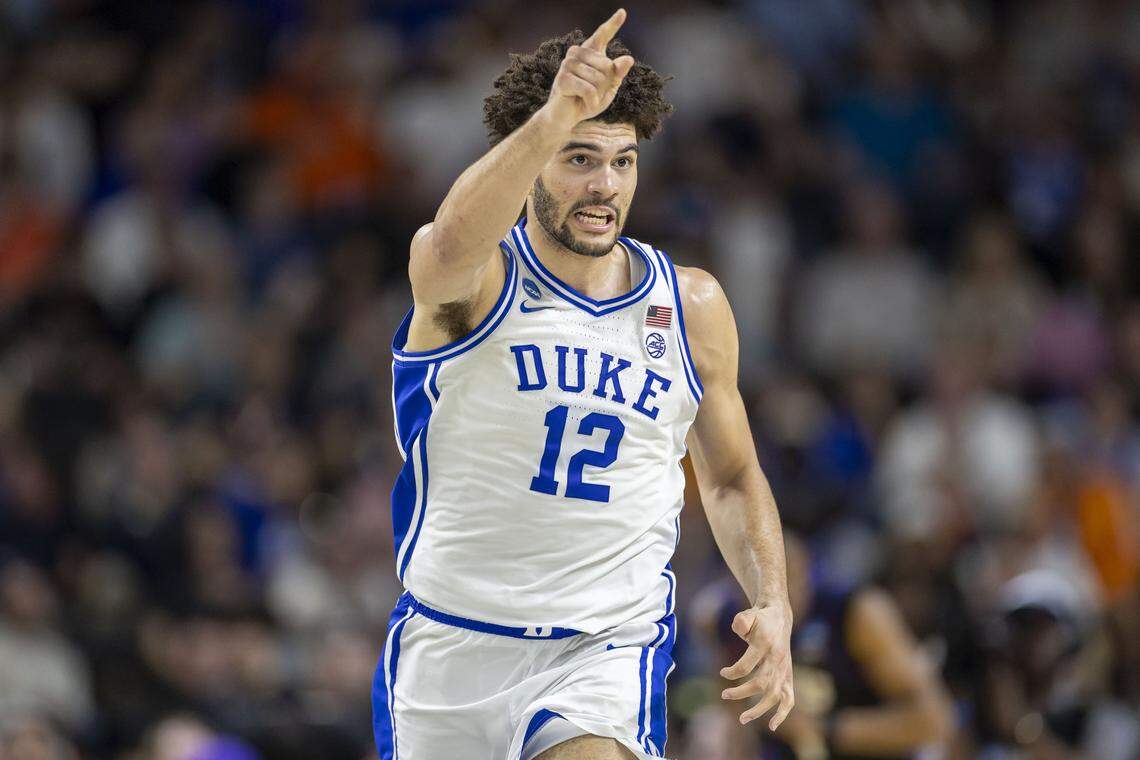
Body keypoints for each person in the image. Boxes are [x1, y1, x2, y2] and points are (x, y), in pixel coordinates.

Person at [374, 9, 794, 759]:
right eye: (577, 158)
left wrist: (773, 600)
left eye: (623, 162)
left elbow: (730, 476)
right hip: (449, 645)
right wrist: (550, 118)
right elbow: (444, 248)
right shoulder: (478, 280)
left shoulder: (690, 304)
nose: (605, 186)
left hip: (602, 650)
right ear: (527, 158)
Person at [688, 534, 952, 760]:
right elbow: (738, 724)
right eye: (746, 588)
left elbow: (933, 723)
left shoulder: (858, 614)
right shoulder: (730, 623)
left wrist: (823, 729)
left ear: (803, 576)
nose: (758, 603)